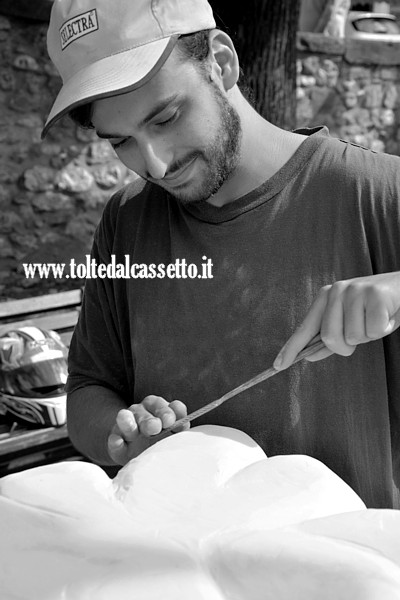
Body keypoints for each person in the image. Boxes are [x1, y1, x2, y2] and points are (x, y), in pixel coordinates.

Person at [42, 0, 400, 509]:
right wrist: (123, 434)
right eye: (121, 142)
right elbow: (87, 393)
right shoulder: (125, 221)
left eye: (166, 117)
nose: (156, 165)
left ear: (221, 62)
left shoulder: (378, 192)